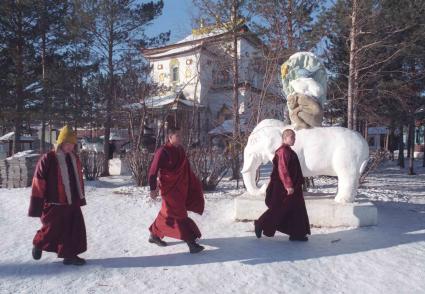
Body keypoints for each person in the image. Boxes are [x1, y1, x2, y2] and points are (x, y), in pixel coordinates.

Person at [28, 125, 87, 265]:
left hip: (72, 201)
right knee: (51, 229)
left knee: (74, 228)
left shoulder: (74, 158)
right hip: (54, 202)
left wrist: (80, 198)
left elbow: (77, 180)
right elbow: (38, 181)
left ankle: (69, 255)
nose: (70, 147)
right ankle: (38, 243)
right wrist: (37, 205)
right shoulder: (48, 158)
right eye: (67, 144)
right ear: (60, 143)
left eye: (72, 144)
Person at [148, 128, 205, 253]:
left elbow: (186, 170)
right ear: (170, 137)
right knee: (180, 214)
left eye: (181, 135)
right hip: (169, 189)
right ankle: (191, 243)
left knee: (167, 213)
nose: (180, 138)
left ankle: (154, 235)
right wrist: (153, 188)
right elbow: (153, 170)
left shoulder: (180, 150)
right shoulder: (162, 151)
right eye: (177, 136)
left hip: (181, 188)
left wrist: (193, 184)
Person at [254, 129, 311, 241]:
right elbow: (282, 169)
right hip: (284, 188)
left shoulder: (288, 150)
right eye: (292, 137)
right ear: (285, 138)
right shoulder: (283, 151)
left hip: (294, 187)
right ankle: (260, 224)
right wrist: (288, 186)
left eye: (294, 137)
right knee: (279, 209)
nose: (294, 139)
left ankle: (297, 234)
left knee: (296, 209)